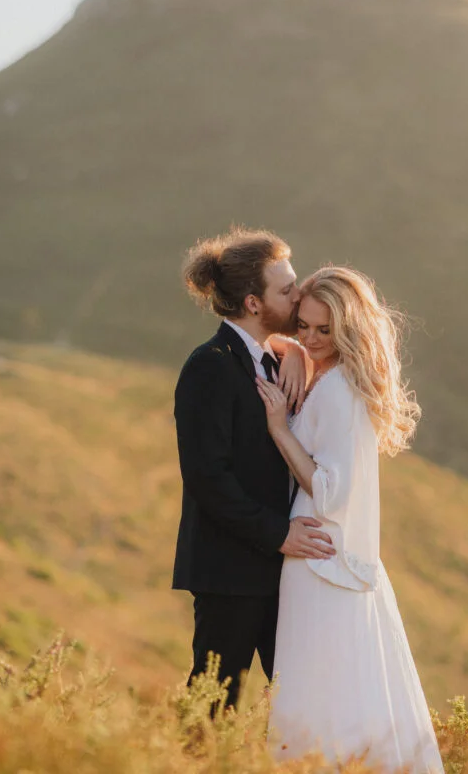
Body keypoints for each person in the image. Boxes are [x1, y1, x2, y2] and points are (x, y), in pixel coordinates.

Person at [257, 266, 445, 774]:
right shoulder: (332, 376)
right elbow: (271, 337)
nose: (313, 340)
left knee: (317, 695)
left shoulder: (339, 389)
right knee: (339, 690)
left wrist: (279, 428)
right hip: (327, 557)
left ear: (349, 328)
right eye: (305, 327)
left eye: (324, 331)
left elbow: (329, 489)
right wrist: (293, 349)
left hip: (319, 557)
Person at [172, 226, 336, 710]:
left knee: (299, 701)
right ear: (252, 303)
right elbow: (207, 478)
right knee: (214, 705)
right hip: (230, 572)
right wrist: (278, 534)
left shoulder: (271, 357)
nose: (299, 293)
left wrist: (298, 350)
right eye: (286, 290)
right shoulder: (210, 366)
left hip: (279, 569)